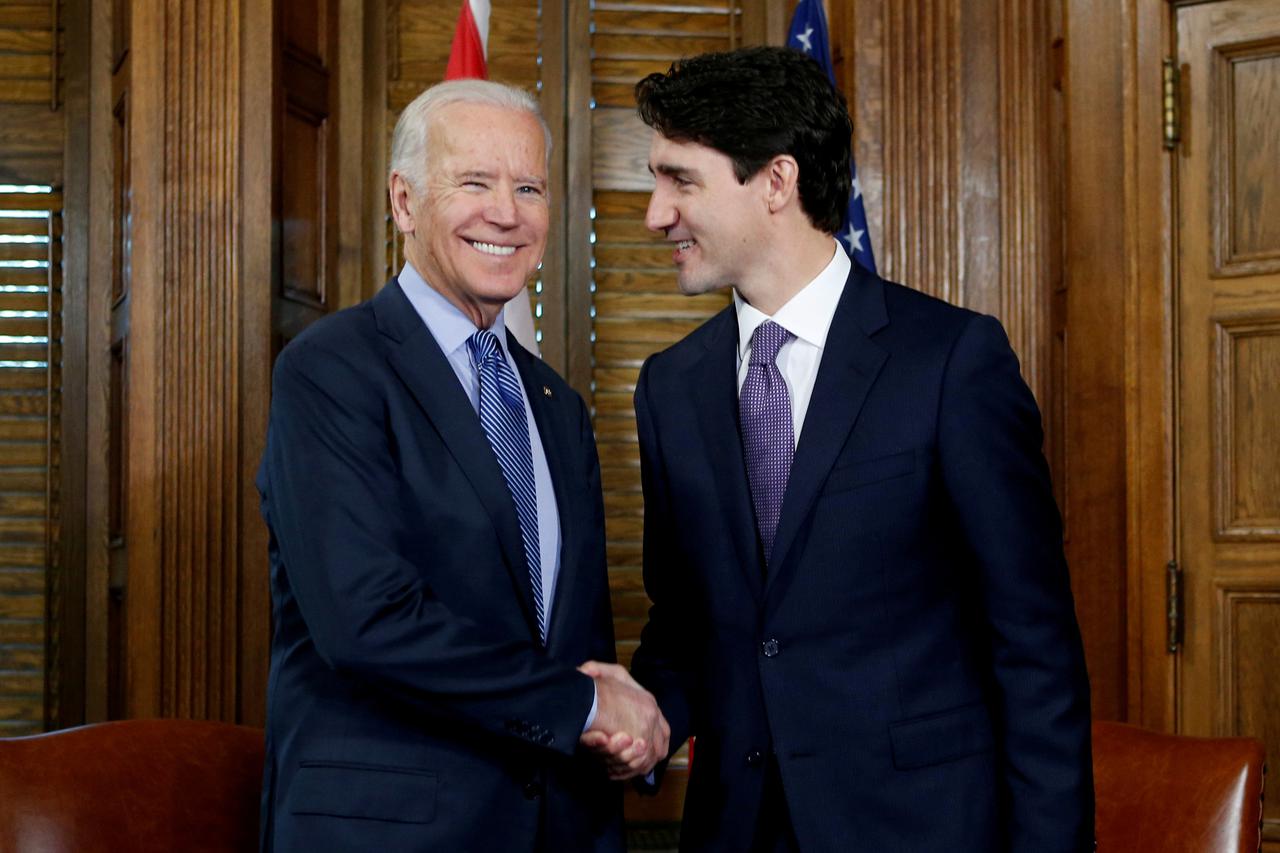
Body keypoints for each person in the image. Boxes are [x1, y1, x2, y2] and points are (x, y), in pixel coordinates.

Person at [621, 47, 1094, 852]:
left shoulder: (951, 362)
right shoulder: (670, 387)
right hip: (735, 829)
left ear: (777, 181)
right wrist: (634, 715)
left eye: (681, 180)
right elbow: (688, 622)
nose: (655, 213)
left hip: (919, 828)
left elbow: (1035, 645)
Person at [255, 79, 667, 853]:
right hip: (394, 831)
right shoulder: (331, 370)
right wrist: (583, 705)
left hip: (558, 829)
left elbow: (577, 640)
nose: (506, 213)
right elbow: (365, 622)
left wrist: (626, 727)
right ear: (405, 202)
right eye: (474, 182)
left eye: (529, 187)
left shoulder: (556, 406)